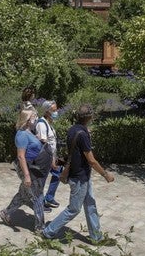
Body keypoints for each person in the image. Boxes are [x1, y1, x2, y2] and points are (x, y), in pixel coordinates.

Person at [42, 104, 115, 243]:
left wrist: (86, 134)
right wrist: (106, 175)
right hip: (79, 178)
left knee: (91, 205)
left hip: (83, 176)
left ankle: (96, 237)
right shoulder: (82, 134)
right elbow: (92, 160)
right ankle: (48, 231)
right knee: (73, 209)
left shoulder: (74, 130)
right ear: (89, 117)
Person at [0, 108, 52, 234]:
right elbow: (21, 156)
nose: (36, 118)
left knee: (23, 195)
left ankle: (5, 213)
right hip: (28, 169)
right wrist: (27, 176)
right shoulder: (21, 134)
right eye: (34, 116)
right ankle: (40, 228)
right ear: (27, 120)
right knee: (38, 196)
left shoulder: (29, 132)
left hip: (34, 167)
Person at [36, 100, 61, 209]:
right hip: (45, 158)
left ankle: (49, 198)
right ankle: (40, 204)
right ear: (47, 111)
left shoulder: (48, 124)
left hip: (51, 156)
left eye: (56, 110)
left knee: (58, 172)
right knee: (41, 181)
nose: (56, 112)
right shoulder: (42, 124)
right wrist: (51, 160)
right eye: (54, 110)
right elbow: (43, 143)